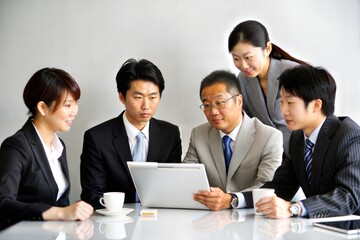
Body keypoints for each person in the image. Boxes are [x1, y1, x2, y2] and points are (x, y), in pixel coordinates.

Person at [245, 65, 360, 218]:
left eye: (290, 103)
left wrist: (295, 208)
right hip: (319, 228)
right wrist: (234, 199)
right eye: (281, 102)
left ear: (316, 105)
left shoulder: (349, 136)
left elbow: (348, 197)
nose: (283, 111)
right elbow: (281, 186)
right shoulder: (298, 138)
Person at [80, 58, 182, 209]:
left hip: (159, 221)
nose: (146, 106)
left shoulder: (170, 134)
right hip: (114, 223)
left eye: (153, 97)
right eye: (138, 97)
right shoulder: (97, 138)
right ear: (122, 97)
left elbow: (173, 186)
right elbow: (91, 194)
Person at [0, 68, 93, 230]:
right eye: (67, 105)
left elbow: (60, 201)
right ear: (42, 108)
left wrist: (74, 211)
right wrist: (60, 213)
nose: (74, 112)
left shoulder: (59, 146)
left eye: (76, 104)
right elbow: (3, 203)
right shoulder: (17, 146)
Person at [183, 70, 283, 211]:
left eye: (220, 103)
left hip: (252, 218)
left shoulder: (269, 136)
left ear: (239, 101)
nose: (213, 112)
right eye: (207, 105)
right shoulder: (198, 134)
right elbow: (186, 178)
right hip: (210, 221)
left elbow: (267, 186)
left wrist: (231, 200)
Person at [228, 20, 308, 156]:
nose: (243, 65)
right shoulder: (242, 79)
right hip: (272, 156)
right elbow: (249, 121)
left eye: (248, 57)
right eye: (236, 59)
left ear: (267, 49)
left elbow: (313, 117)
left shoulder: (293, 73)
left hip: (304, 152)